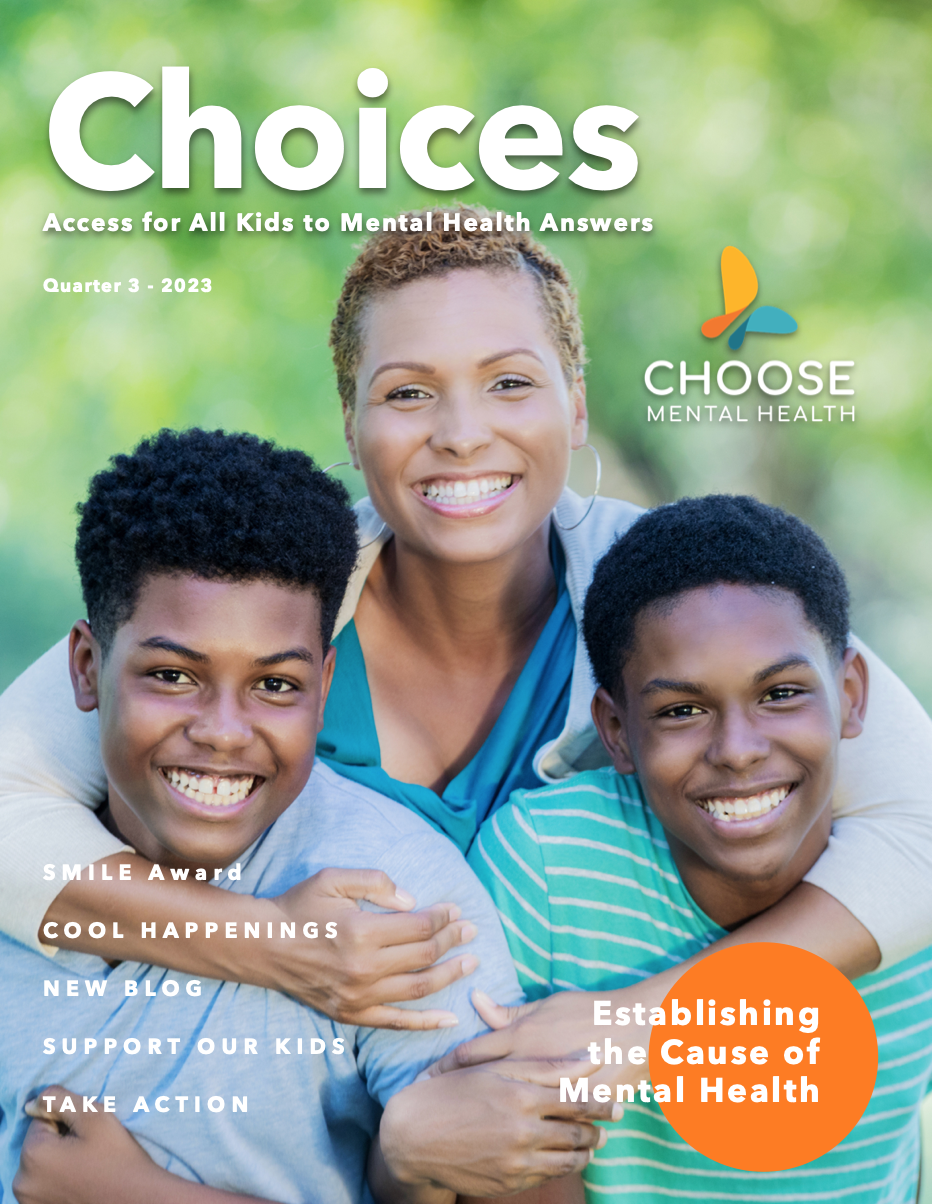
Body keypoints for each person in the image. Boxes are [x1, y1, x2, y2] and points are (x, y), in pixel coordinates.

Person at [1, 208, 931, 1052]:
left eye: (510, 383)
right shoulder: (266, 595)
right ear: (352, 421)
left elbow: (919, 830)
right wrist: (272, 943)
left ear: (575, 400)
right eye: (407, 393)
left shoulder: (674, 593)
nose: (460, 433)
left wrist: (639, 1023)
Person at [4, 429, 613, 1204]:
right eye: (171, 675)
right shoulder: (23, 865)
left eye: (275, 686)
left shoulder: (394, 901)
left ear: (323, 682)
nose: (224, 731)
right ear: (87, 668)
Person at [465, 494, 932, 1202]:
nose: (738, 751)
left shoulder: (912, 912)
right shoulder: (546, 869)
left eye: (780, 693)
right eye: (681, 711)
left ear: (852, 695)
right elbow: (508, 1159)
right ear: (616, 732)